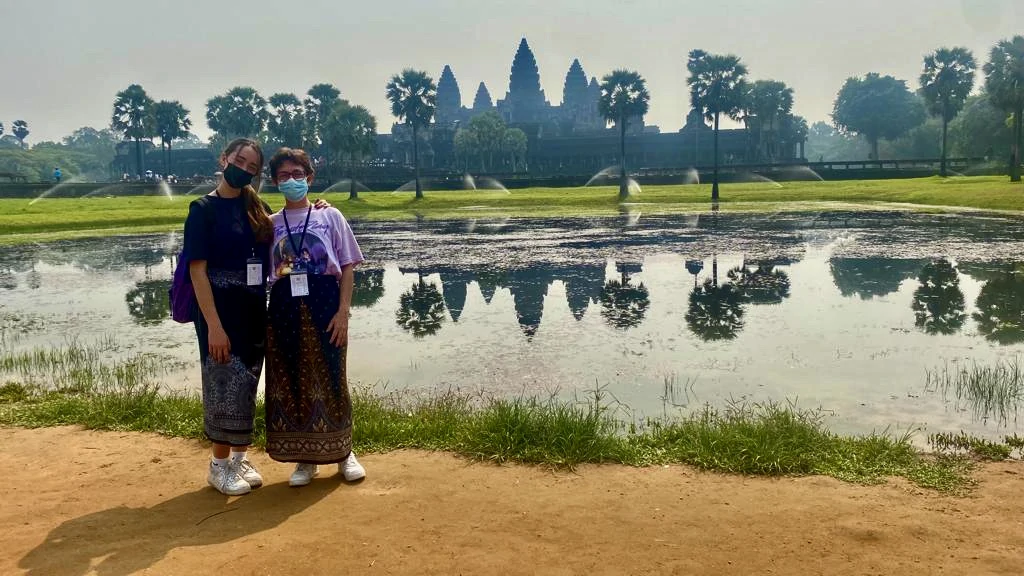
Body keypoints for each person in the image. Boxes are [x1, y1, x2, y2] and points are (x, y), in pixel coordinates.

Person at [263, 147, 366, 487]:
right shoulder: (270, 225)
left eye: (297, 174)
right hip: (284, 306)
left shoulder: (330, 216)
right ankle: (305, 459)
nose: (291, 180)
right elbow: (263, 270)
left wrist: (343, 313)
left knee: (334, 374)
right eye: (283, 176)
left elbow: (348, 265)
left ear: (309, 177)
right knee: (292, 379)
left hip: (325, 300)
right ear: (275, 182)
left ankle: (343, 452)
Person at [184, 137, 274, 496]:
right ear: (224, 159)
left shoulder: (257, 207)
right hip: (217, 309)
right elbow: (197, 270)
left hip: (252, 305)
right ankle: (218, 465)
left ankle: (239, 458)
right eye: (240, 161)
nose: (245, 170)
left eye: (253, 168)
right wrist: (214, 328)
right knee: (222, 381)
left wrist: (319, 208)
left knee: (249, 381)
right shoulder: (203, 209)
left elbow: (286, 231)